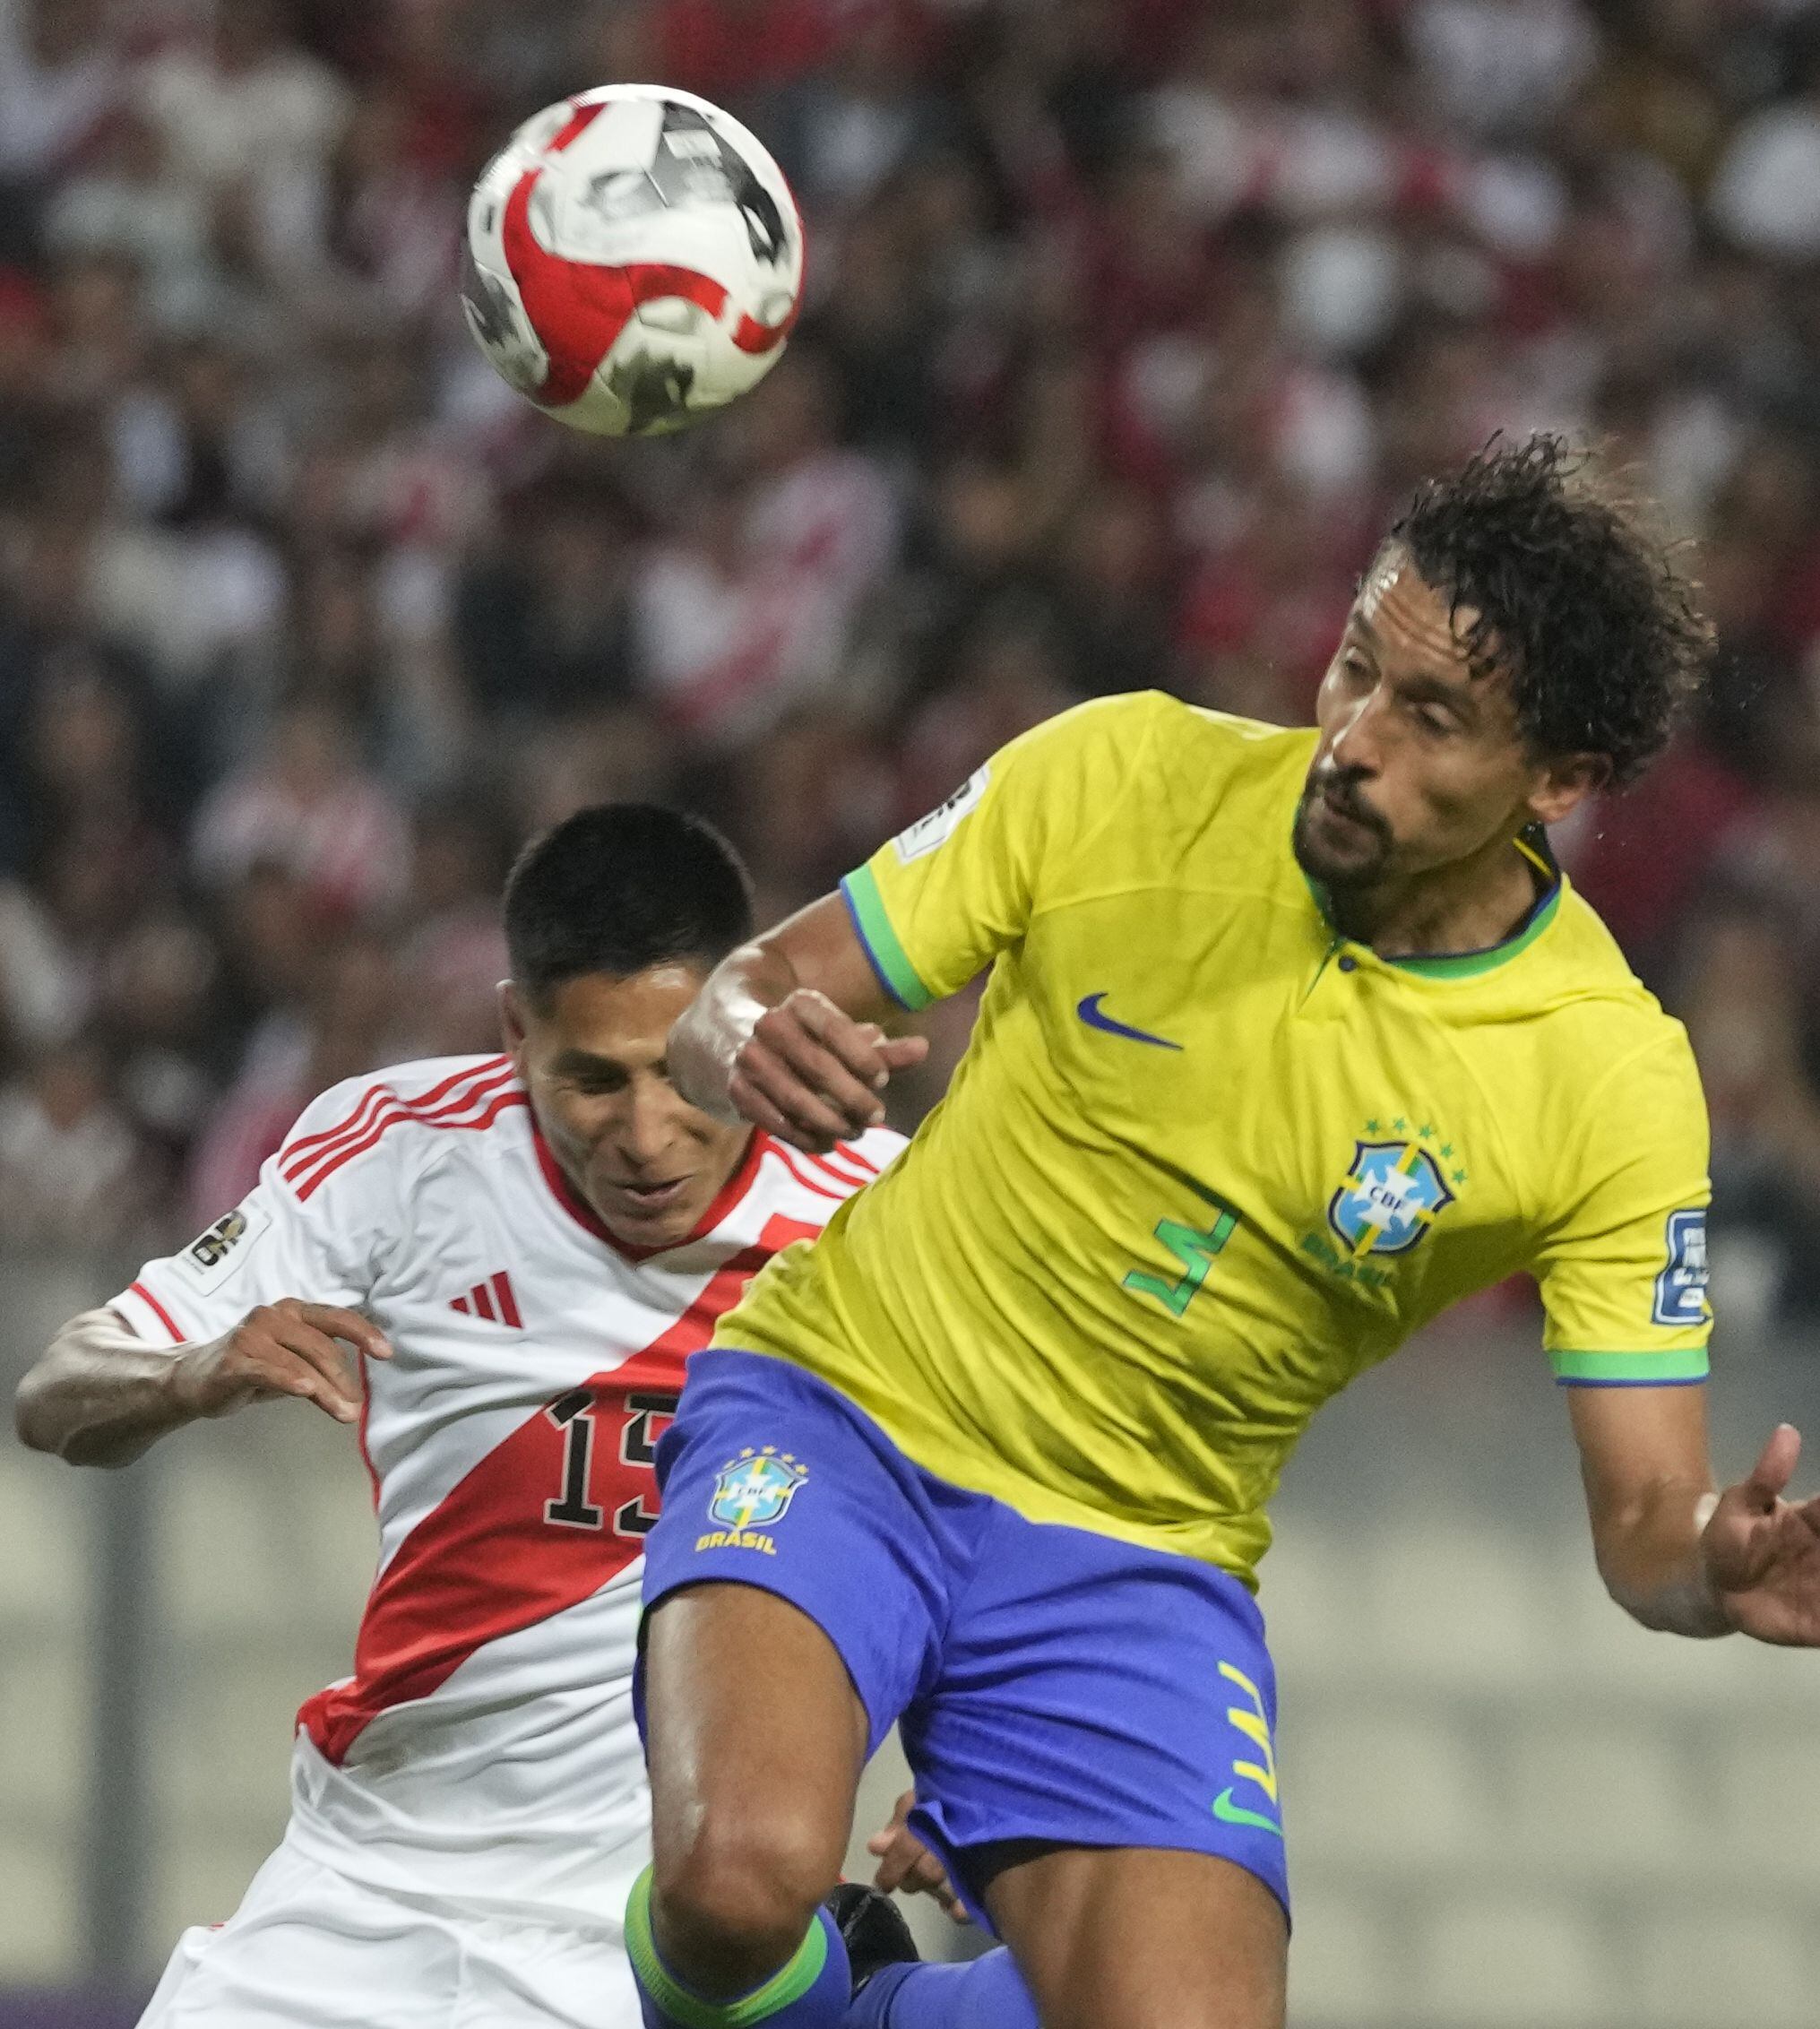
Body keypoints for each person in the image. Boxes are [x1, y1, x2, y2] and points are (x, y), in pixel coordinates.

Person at [634, 436, 1820, 2029]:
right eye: (1356, 666)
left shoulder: (1606, 1079)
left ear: (1558, 780)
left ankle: (877, 2005)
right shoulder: (1117, 773)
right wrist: (745, 1038)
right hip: (844, 1413)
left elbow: (1646, 1522)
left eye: (1431, 717)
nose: (1353, 740)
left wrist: (1715, 1564)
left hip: (1135, 1559)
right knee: (732, 1881)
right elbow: (746, 986)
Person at [14, 804, 906, 2029]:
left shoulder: (878, 1209)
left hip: (650, 1937)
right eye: (592, 1081)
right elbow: (60, 1387)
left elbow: (1010, 1508)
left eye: (682, 1072)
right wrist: (191, 1370)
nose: (647, 1136)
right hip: (359, 1892)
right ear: (515, 1032)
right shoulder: (401, 1154)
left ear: (745, 1016)